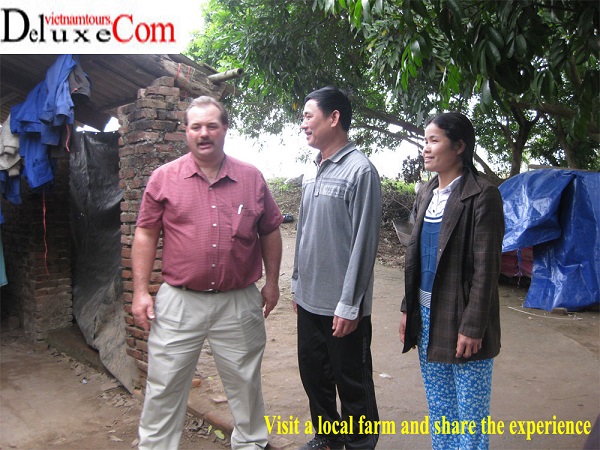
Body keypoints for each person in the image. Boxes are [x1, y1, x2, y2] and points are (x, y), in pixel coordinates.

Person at [132, 96, 283, 450]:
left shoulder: (251, 178)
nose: (204, 133)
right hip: (180, 302)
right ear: (185, 131)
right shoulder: (164, 178)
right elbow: (145, 232)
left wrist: (272, 283)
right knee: (165, 383)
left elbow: (270, 230)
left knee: (245, 382)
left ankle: (250, 444)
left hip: (239, 301)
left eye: (212, 126)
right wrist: (141, 291)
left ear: (225, 129)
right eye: (196, 126)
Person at [399, 112, 504, 450]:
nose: (425, 149)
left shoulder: (482, 195)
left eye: (434, 141)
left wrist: (473, 326)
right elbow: (416, 258)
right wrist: (408, 309)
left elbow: (486, 270)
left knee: (470, 419)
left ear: (459, 146)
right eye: (425, 141)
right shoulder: (426, 192)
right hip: (427, 318)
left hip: (464, 319)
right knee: (441, 411)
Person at [292, 86, 382, 450]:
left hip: (343, 310)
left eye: (308, 116)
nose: (303, 125)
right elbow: (302, 235)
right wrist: (297, 284)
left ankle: (359, 445)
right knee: (315, 377)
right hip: (309, 302)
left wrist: (350, 305)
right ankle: (328, 441)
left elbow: (364, 244)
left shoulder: (361, 171)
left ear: (334, 118)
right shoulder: (311, 172)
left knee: (353, 384)